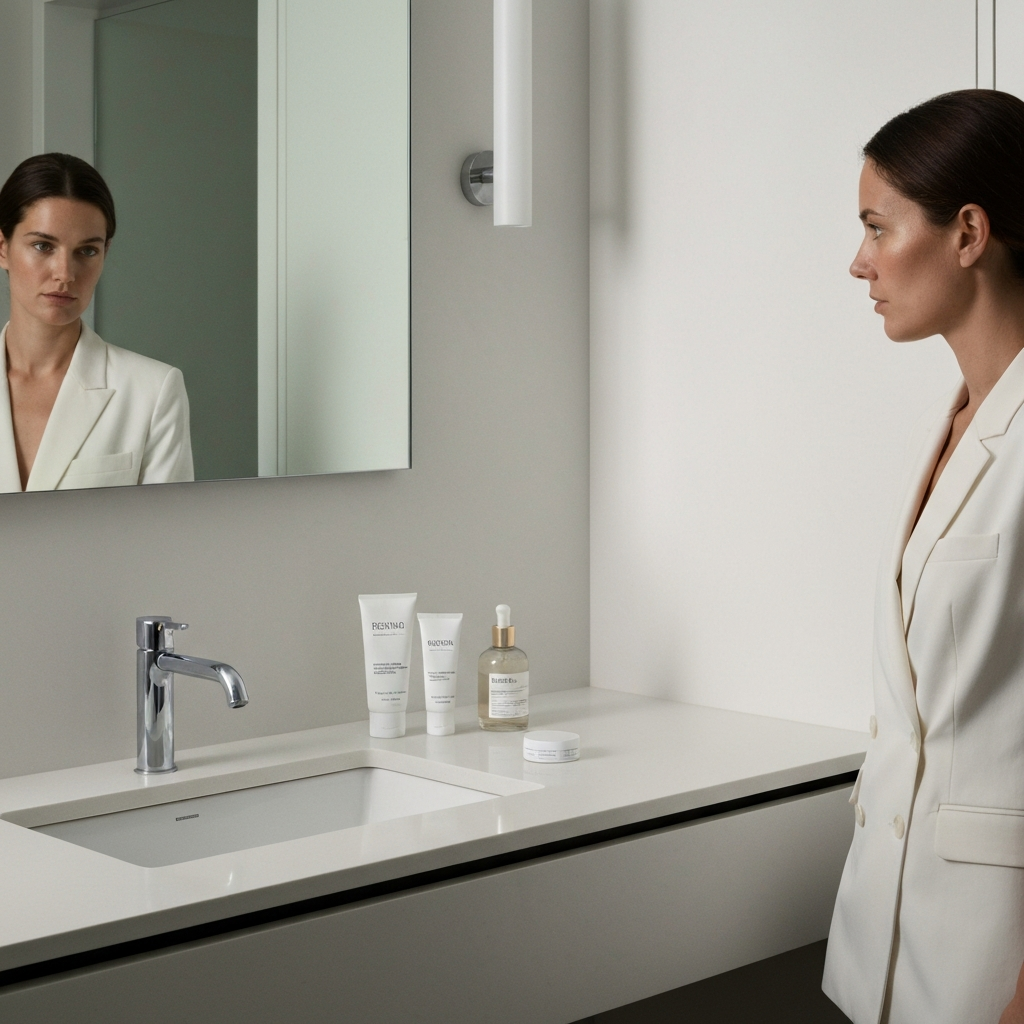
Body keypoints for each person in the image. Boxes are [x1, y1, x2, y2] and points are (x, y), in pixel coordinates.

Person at [822, 89, 1024, 1024]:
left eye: (877, 226)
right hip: (885, 936)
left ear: (968, 233)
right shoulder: (958, 422)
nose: (859, 262)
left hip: (990, 961)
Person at [0, 153, 193, 491]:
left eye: (87, 251)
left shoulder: (151, 391)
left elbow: (167, 538)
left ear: (106, 252)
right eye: (43, 246)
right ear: (3, 248)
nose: (65, 274)